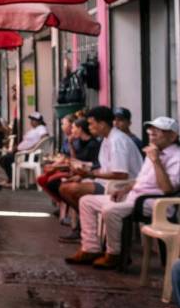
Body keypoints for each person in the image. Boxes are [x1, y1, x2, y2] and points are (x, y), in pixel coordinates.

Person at [70, 116, 179, 268]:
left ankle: (115, 254)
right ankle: (90, 249)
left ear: (173, 136)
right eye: (151, 129)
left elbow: (167, 189)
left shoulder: (175, 156)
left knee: (111, 210)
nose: (152, 133)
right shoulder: (154, 151)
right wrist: (125, 189)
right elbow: (141, 180)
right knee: (87, 201)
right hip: (134, 197)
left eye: (158, 130)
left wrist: (156, 161)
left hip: (155, 203)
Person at [61, 106, 143, 249]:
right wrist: (82, 176)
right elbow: (105, 167)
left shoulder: (117, 141)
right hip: (108, 182)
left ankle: (90, 232)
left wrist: (90, 174)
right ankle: (90, 231)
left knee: (71, 190)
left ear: (102, 124)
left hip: (121, 185)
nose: (89, 127)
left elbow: (121, 174)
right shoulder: (107, 139)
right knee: (65, 188)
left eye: (92, 124)